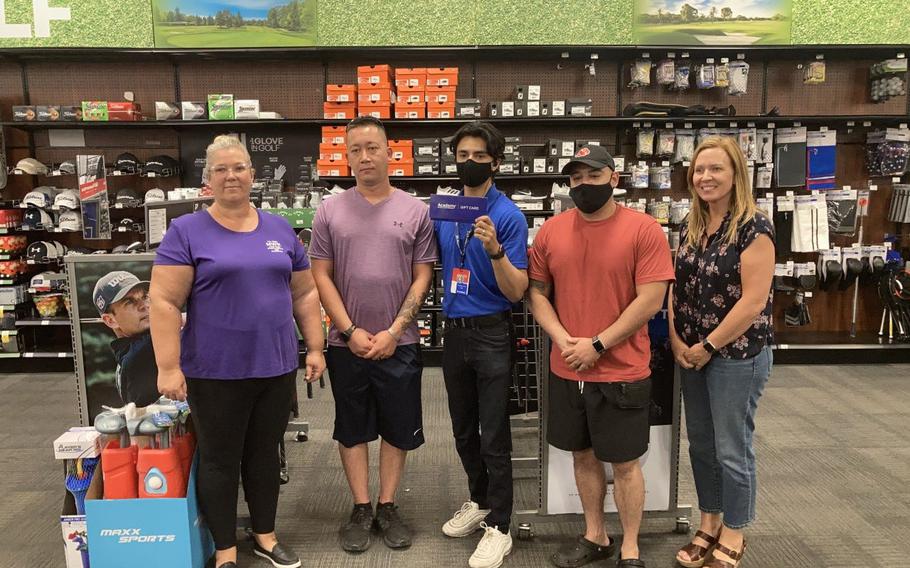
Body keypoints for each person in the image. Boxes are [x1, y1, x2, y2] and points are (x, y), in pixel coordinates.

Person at [150, 135, 326, 568]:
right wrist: (168, 367)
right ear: (208, 179)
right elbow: (164, 301)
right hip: (214, 369)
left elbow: (304, 294)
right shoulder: (186, 231)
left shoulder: (279, 228)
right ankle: (226, 549)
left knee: (265, 454)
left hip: (274, 365)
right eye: (222, 169)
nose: (232, 175)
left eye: (240, 167)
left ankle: (266, 536)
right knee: (219, 459)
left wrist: (315, 347)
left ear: (252, 174)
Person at [528, 144, 674, 568]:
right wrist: (564, 341)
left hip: (622, 370)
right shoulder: (552, 231)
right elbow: (538, 294)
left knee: (626, 464)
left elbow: (650, 300)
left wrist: (596, 344)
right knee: (582, 455)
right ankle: (595, 535)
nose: (584, 185)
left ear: (614, 178)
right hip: (568, 367)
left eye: (593, 176)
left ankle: (630, 545)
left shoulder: (644, 229)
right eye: (576, 178)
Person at [309, 116, 437, 554]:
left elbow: (422, 277)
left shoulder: (415, 210)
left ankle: (388, 505)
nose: (365, 156)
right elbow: (320, 276)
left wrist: (393, 330)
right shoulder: (329, 210)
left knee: (398, 429)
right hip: (348, 343)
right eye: (356, 150)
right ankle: (361, 506)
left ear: (390, 153)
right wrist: (349, 329)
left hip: (398, 342)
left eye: (373, 148)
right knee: (352, 428)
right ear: (347, 156)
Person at [670, 137, 774, 568]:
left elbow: (753, 302)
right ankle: (709, 521)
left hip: (737, 356)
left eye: (716, 169)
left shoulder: (755, 228)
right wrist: (678, 340)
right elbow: (675, 286)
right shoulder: (690, 225)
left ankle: (734, 529)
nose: (705, 177)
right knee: (701, 445)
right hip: (691, 352)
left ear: (736, 176)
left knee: (732, 446)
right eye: (699, 170)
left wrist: (709, 346)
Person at [435, 121, 528, 568]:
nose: (469, 163)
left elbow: (516, 291)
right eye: (463, 155)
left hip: (492, 332)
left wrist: (494, 250)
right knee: (462, 429)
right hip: (454, 332)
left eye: (479, 156)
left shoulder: (507, 215)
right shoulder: (447, 207)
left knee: (494, 434)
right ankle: (480, 499)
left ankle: (502, 526)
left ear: (495, 161)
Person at [94, 270, 159, 407]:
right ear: (110, 320)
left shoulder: (138, 348)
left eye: (145, 296)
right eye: (129, 302)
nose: (143, 305)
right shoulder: (139, 353)